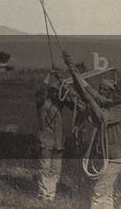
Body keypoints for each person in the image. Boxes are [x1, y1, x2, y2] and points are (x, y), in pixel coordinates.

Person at [64, 52, 121, 208]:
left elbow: (101, 116)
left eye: (118, 93)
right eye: (115, 91)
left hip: (115, 158)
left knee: (99, 191)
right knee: (105, 192)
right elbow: (90, 92)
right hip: (110, 157)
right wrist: (73, 70)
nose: (113, 94)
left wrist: (90, 102)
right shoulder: (115, 103)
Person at [35, 70, 70, 201]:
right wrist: (49, 75)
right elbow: (41, 90)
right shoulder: (42, 104)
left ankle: (50, 195)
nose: (57, 93)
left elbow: (71, 98)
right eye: (55, 91)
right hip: (46, 142)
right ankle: (43, 194)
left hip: (58, 143)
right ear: (50, 93)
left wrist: (62, 81)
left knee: (55, 170)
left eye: (58, 91)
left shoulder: (59, 107)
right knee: (45, 168)